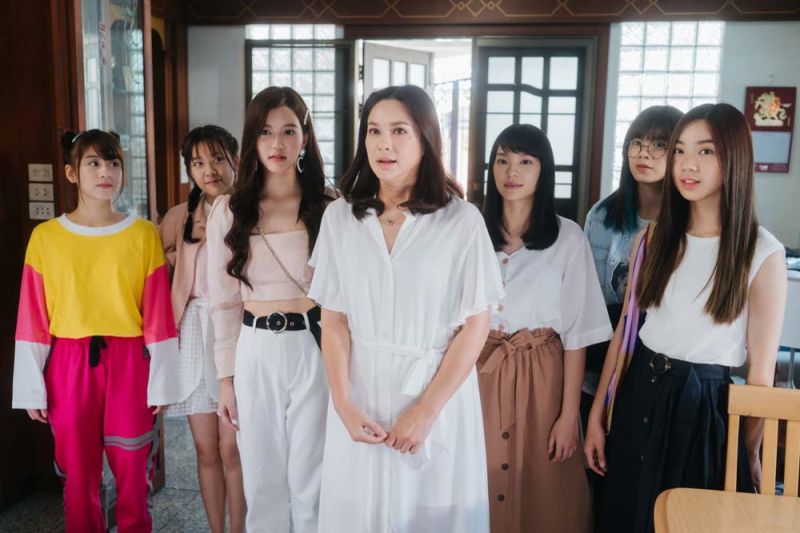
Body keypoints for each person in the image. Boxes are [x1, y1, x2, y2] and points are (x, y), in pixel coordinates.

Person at [584, 103, 788, 533]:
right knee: (624, 517)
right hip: (638, 392)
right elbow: (626, 333)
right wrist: (599, 414)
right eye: (679, 150)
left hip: (705, 407)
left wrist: (748, 451)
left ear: (734, 160)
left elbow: (761, 375)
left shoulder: (761, 252)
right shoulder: (653, 237)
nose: (687, 164)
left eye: (705, 151)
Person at [308, 85, 504, 533]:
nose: (384, 144)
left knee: (431, 515)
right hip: (361, 394)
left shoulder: (461, 221)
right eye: (374, 131)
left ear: (426, 137)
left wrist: (427, 410)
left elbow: (476, 325)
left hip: (434, 394)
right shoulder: (341, 218)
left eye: (399, 130)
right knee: (358, 515)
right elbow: (333, 319)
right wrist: (343, 401)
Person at [12, 129, 181, 532]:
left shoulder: (143, 235)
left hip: (130, 362)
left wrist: (163, 382)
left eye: (113, 163)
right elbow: (33, 318)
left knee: (134, 474)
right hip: (68, 363)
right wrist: (31, 386)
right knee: (78, 477)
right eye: (94, 163)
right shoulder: (46, 238)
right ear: (72, 173)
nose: (106, 172)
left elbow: (158, 315)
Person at [206, 86, 331, 533]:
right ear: (252, 139)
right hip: (255, 348)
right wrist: (225, 380)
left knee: (313, 479)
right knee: (261, 480)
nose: (277, 143)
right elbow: (223, 302)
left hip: (315, 347)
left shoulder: (329, 207)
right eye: (265, 132)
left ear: (305, 137)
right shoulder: (230, 210)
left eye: (289, 131)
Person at [478, 123, 612, 533]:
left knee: (544, 484)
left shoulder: (567, 238)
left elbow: (577, 334)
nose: (511, 171)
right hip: (477, 370)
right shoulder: (471, 230)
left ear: (543, 171)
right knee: (478, 475)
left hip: (543, 376)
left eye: (525, 162)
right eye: (502, 160)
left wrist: (569, 414)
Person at [159, 125, 245, 532]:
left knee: (233, 448)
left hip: (238, 331)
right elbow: (158, 278)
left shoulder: (251, 210)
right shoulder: (179, 217)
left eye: (217, 158)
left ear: (235, 160)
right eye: (197, 162)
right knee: (205, 447)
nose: (208, 170)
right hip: (193, 331)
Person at [582, 106, 683, 423]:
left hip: (661, 356)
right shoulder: (602, 215)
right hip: (604, 347)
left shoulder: (686, 222)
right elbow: (591, 296)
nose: (644, 153)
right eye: (636, 143)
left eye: (659, 145)